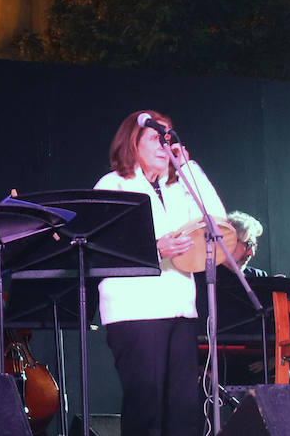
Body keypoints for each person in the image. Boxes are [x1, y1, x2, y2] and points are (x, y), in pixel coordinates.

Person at [94, 110, 226, 436]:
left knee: (183, 412)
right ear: (132, 144)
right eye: (155, 137)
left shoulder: (179, 188)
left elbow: (218, 222)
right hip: (135, 312)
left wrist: (188, 168)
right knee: (147, 409)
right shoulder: (113, 185)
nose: (164, 144)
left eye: (168, 137)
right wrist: (156, 249)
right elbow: (103, 248)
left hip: (181, 310)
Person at [223, 210, 269, 277]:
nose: (252, 253)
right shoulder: (206, 281)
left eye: (254, 246)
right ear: (229, 242)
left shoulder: (258, 276)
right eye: (249, 245)